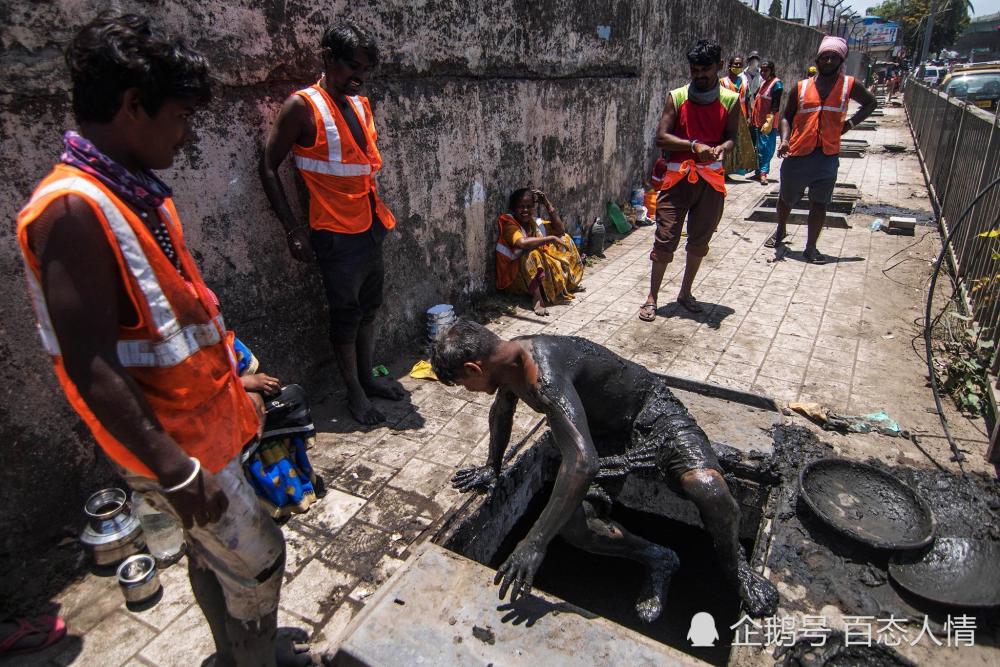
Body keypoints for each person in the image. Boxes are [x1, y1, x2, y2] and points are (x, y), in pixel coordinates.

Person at [15, 14, 307, 666]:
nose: (187, 133)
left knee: (213, 552)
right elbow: (91, 365)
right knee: (261, 559)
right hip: (171, 447)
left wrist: (238, 375)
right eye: (178, 116)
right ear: (130, 107)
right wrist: (175, 470)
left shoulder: (138, 194)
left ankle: (229, 652)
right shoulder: (72, 212)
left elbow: (177, 317)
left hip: (198, 429)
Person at [431, 320, 780, 619]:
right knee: (573, 524)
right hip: (603, 436)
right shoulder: (506, 367)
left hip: (652, 415)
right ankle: (658, 558)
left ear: (475, 368)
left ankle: (737, 570)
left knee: (711, 491)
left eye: (463, 383)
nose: (469, 390)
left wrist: (534, 542)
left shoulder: (543, 377)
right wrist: (493, 468)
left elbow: (583, 462)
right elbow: (501, 413)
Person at [260, 21, 404, 426]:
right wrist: (292, 229)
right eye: (352, 67)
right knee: (346, 314)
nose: (359, 77)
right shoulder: (302, 107)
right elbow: (268, 167)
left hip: (371, 224)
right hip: (334, 233)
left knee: (369, 308)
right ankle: (355, 393)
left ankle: (367, 378)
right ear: (327, 58)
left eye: (365, 70)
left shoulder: (359, 102)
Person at [639, 39, 740, 321]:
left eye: (705, 69)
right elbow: (661, 137)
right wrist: (694, 145)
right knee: (664, 239)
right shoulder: (678, 97)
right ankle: (652, 297)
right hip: (677, 179)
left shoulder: (730, 100)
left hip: (710, 181)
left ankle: (685, 292)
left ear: (719, 66)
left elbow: (732, 137)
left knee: (699, 241)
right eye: (694, 70)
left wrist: (721, 148)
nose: (699, 75)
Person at [766, 36, 877, 264]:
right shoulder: (801, 87)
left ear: (840, 60)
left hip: (827, 155)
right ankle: (781, 229)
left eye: (833, 57)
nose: (828, 60)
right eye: (824, 56)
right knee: (786, 199)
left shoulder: (849, 85)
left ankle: (811, 246)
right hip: (797, 153)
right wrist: (784, 139)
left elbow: (870, 103)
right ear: (817, 59)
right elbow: (787, 116)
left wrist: (850, 124)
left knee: (820, 203)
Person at [495, 187, 584, 317]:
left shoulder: (534, 223)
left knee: (566, 239)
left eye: (529, 206)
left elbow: (560, 230)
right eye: (521, 207)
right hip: (513, 277)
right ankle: (537, 299)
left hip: (532, 273)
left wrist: (548, 205)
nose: (525, 210)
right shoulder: (509, 224)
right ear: (513, 208)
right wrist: (550, 238)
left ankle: (569, 282)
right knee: (531, 254)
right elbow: (522, 243)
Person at [749, 60, 782, 186]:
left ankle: (763, 173)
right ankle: (758, 171)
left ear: (771, 70)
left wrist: (769, 120)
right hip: (758, 121)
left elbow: (776, 105)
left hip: (767, 123)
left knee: (766, 148)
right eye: (761, 70)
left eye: (765, 70)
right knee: (758, 147)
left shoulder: (776, 84)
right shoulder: (763, 83)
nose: (762, 73)